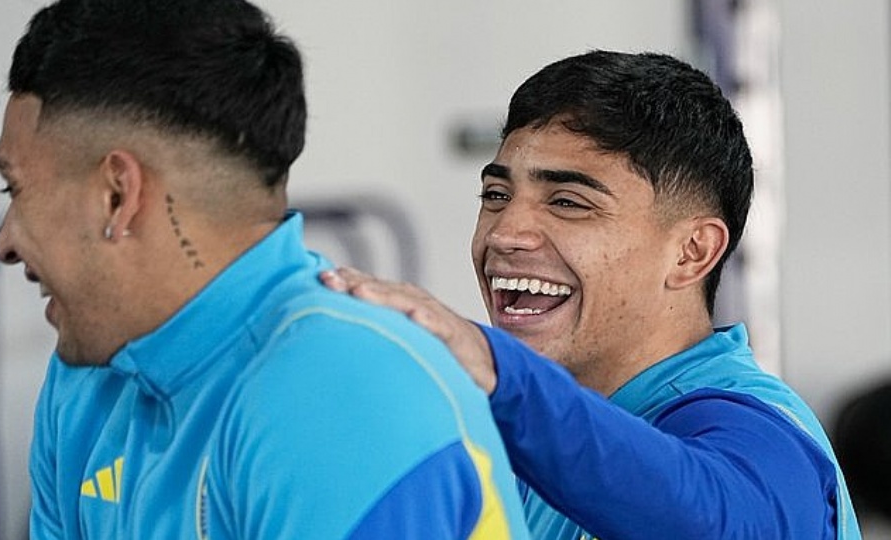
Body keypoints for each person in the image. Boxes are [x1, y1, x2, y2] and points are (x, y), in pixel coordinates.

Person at [0, 0, 530, 538]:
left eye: (15, 188)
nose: (5, 244)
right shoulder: (89, 377)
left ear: (117, 196)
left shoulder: (346, 392)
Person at [322, 50, 862, 539]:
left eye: (567, 202)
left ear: (691, 252)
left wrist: (500, 372)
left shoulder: (761, 434)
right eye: (496, 194)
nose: (505, 234)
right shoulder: (528, 441)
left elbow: (712, 519)